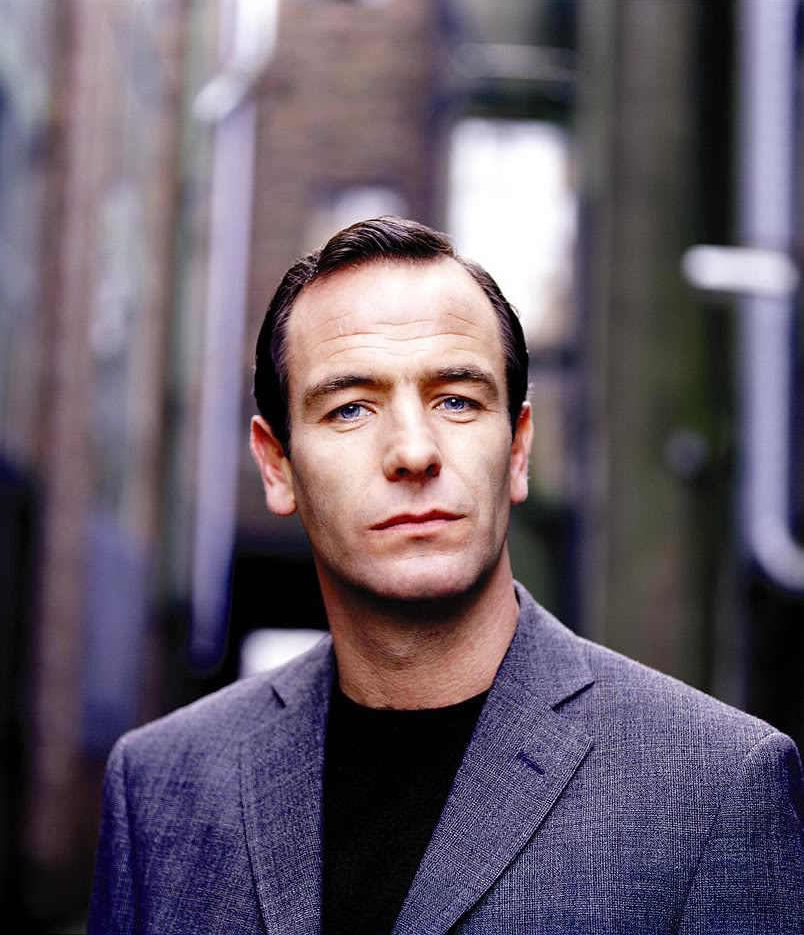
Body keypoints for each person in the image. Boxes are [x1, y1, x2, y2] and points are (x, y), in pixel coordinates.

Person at [88, 217, 804, 935]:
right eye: (350, 408)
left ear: (517, 450)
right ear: (277, 466)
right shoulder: (159, 788)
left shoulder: (717, 787)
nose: (413, 451)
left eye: (456, 400)